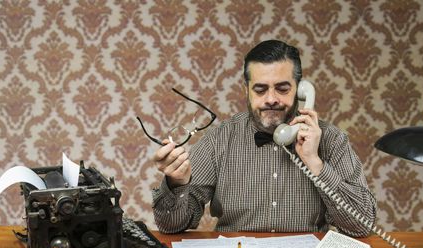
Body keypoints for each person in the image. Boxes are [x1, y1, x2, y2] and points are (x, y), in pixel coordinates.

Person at [151, 39, 376, 237]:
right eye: (260, 89)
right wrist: (178, 184)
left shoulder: (332, 139)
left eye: (282, 88)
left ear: (300, 90)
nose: (271, 99)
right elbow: (171, 227)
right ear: (246, 90)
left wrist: (315, 163)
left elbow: (361, 226)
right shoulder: (219, 139)